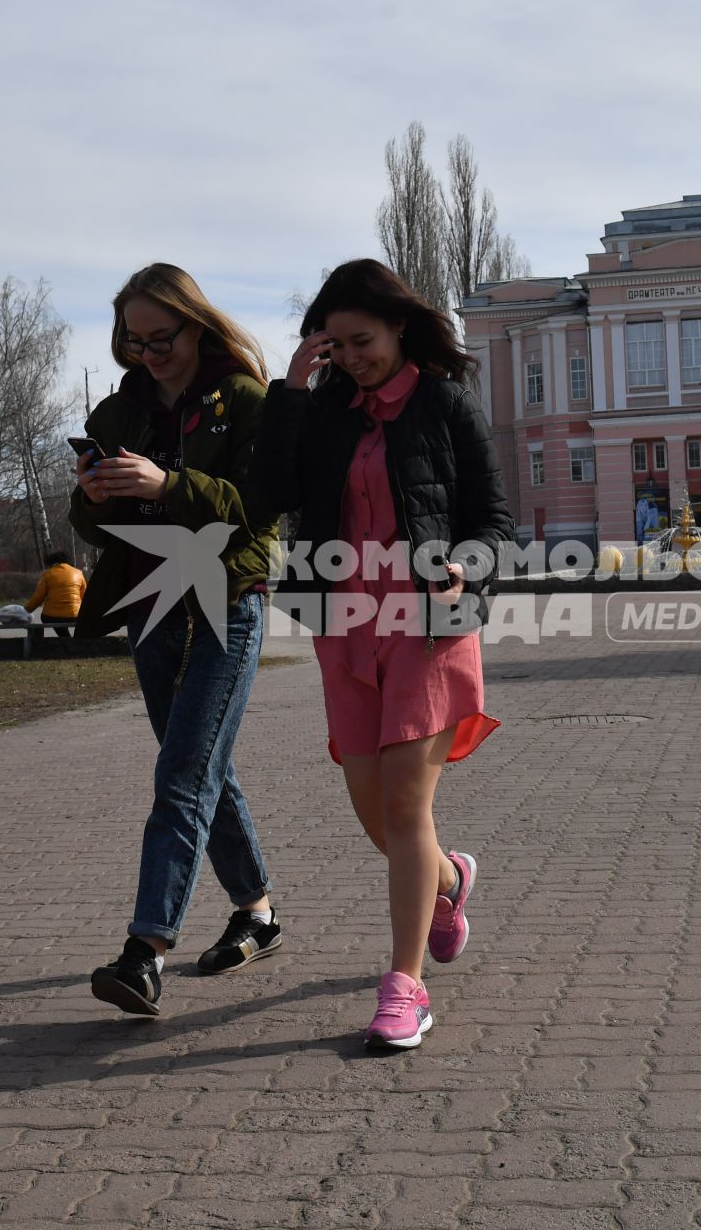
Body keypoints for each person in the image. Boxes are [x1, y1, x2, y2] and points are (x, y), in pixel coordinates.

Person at [254, 258, 514, 1052]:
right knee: (374, 808)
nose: (352, 356)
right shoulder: (323, 410)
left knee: (405, 805)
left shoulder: (445, 404)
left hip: (430, 626)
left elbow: (496, 521)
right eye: (335, 344)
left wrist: (470, 563)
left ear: (400, 327)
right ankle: (448, 880)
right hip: (346, 626)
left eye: (361, 340)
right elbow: (267, 497)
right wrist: (289, 394)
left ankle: (404, 988)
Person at [79, 263, 284, 1019]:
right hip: (151, 600)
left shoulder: (247, 401)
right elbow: (95, 524)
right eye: (132, 341)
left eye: (160, 338)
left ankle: (145, 952)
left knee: (183, 775)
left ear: (196, 325)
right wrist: (94, 494)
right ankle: (258, 914)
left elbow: (259, 510)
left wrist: (166, 485)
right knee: (199, 766)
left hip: (228, 599)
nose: (148, 354)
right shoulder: (117, 410)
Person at [25, 550, 86, 639]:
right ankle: (68, 640)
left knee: (48, 618)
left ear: (53, 563)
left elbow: (38, 598)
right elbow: (85, 597)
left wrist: (26, 610)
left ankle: (66, 639)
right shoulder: (79, 573)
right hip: (75, 616)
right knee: (65, 621)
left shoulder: (48, 574)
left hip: (51, 617)